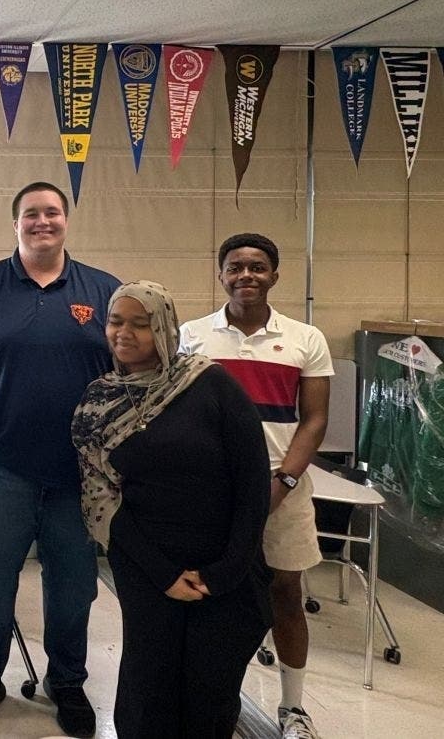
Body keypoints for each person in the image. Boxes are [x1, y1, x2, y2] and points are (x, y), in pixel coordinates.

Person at [0, 181, 119, 737]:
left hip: (79, 475)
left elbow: (129, 374)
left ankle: (66, 682)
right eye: (32, 213)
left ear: (66, 219)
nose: (43, 221)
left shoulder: (104, 290)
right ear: (15, 223)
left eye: (52, 212)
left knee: (74, 589)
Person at [72, 281, 272, 737]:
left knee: (210, 692)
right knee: (148, 688)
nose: (124, 333)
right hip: (146, 566)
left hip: (224, 567)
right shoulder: (98, 403)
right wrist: (163, 574)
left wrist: (224, 573)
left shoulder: (211, 384)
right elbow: (101, 500)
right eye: (115, 321)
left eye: (140, 324)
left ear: (165, 328)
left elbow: (253, 483)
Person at [179, 233, 333, 739]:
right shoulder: (191, 336)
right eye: (236, 266)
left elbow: (314, 420)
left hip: (282, 487)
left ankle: (293, 709)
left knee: (285, 593)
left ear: (274, 275)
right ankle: (213, 704)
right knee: (211, 595)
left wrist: (284, 480)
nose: (246, 274)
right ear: (221, 274)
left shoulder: (306, 338)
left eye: (258, 266)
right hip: (211, 492)